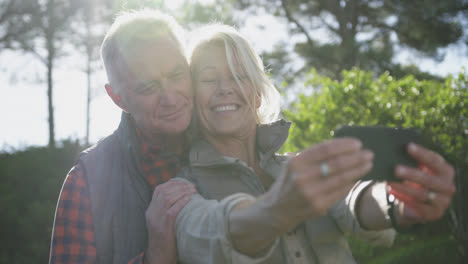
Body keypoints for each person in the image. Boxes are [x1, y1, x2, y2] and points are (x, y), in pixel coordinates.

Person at [173, 24, 456, 263]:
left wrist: (398, 202)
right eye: (209, 79)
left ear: (258, 94)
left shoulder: (296, 167)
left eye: (239, 76)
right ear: (192, 97)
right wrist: (281, 207)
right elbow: (206, 236)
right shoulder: (179, 188)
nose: (225, 88)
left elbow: (349, 200)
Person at [49, 10, 197, 264]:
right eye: (148, 87)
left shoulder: (232, 142)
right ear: (117, 98)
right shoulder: (86, 181)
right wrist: (155, 256)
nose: (170, 99)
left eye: (176, 75)